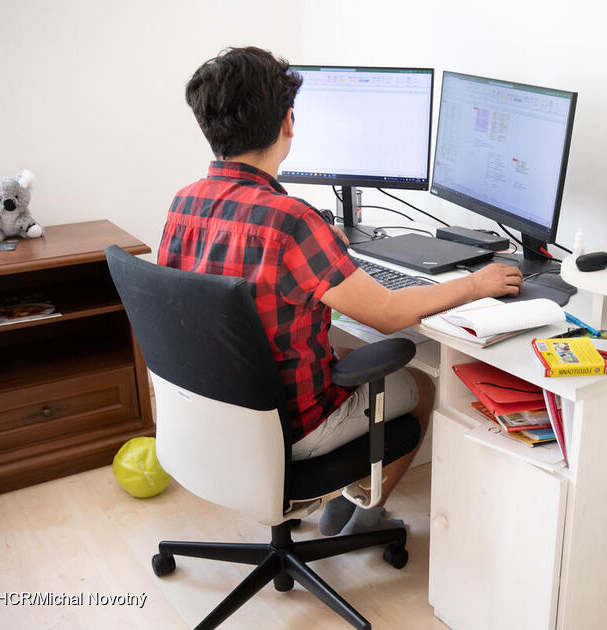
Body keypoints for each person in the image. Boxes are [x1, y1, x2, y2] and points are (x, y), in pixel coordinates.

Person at [159, 47, 522, 535]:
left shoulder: (183, 203)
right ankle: (365, 516)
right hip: (291, 430)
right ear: (289, 122)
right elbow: (389, 314)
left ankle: (344, 498)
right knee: (423, 386)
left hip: (213, 419)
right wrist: (475, 283)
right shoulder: (291, 222)